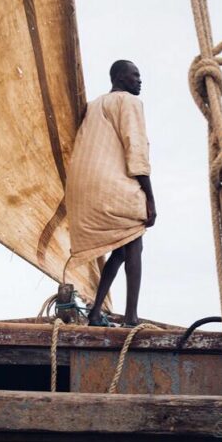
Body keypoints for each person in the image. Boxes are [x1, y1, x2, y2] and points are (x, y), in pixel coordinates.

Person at [66, 60, 156, 327]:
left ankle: (95, 312)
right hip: (111, 187)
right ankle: (131, 318)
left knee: (121, 248)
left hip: (82, 189)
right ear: (118, 77)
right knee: (135, 241)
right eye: (134, 75)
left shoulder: (94, 105)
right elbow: (136, 149)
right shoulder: (129, 102)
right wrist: (150, 197)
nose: (139, 80)